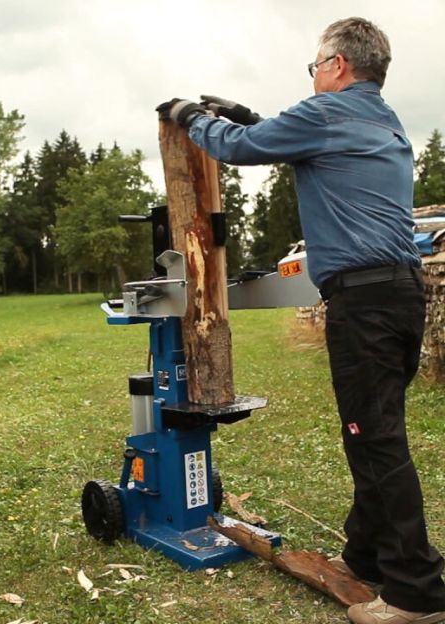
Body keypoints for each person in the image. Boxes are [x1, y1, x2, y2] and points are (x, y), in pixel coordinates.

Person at [158, 16, 445, 624]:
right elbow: (288, 136)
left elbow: (236, 150)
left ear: (337, 65)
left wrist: (190, 115)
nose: (313, 75)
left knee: (378, 441)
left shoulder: (328, 114)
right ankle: (366, 557)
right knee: (373, 431)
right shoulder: (380, 118)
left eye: (314, 65)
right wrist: (248, 114)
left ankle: (417, 592)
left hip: (364, 303)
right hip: (399, 295)